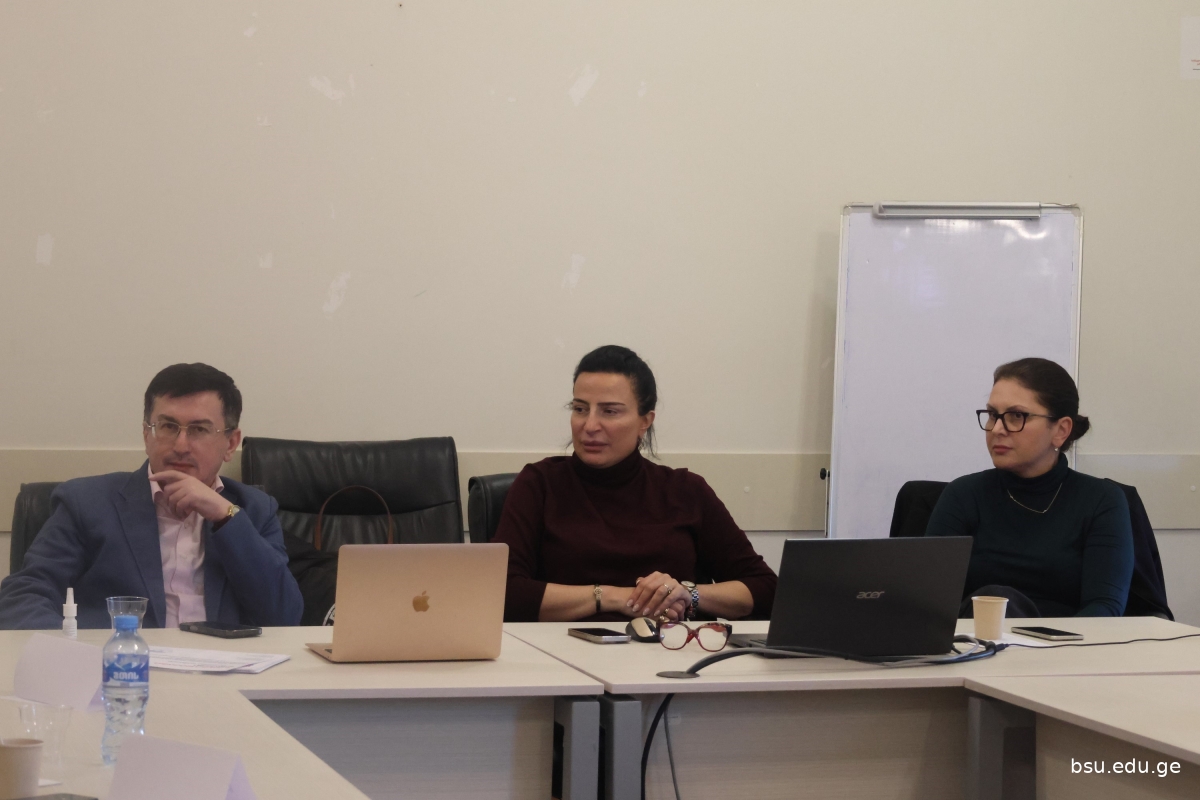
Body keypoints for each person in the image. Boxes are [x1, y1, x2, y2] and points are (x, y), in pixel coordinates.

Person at [0, 363, 303, 629]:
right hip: (122, 666)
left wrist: (226, 517)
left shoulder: (253, 509)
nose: (181, 446)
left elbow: (284, 616)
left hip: (223, 667)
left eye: (199, 429)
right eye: (168, 427)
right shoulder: (86, 502)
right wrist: (71, 655)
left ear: (231, 443)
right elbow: (24, 594)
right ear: (147, 434)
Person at [492, 345, 777, 623]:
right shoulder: (539, 484)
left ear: (645, 421)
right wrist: (616, 597)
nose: (589, 425)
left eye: (610, 411)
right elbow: (498, 592)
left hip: (671, 648)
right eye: (580, 409)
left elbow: (766, 589)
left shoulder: (686, 491)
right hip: (561, 650)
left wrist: (687, 594)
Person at [926, 357, 1133, 617]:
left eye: (1016, 416)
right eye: (993, 415)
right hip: (977, 638)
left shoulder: (1101, 501)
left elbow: (1104, 607)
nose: (997, 429)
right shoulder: (964, 494)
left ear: (1061, 430)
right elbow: (929, 600)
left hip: (1065, 640)